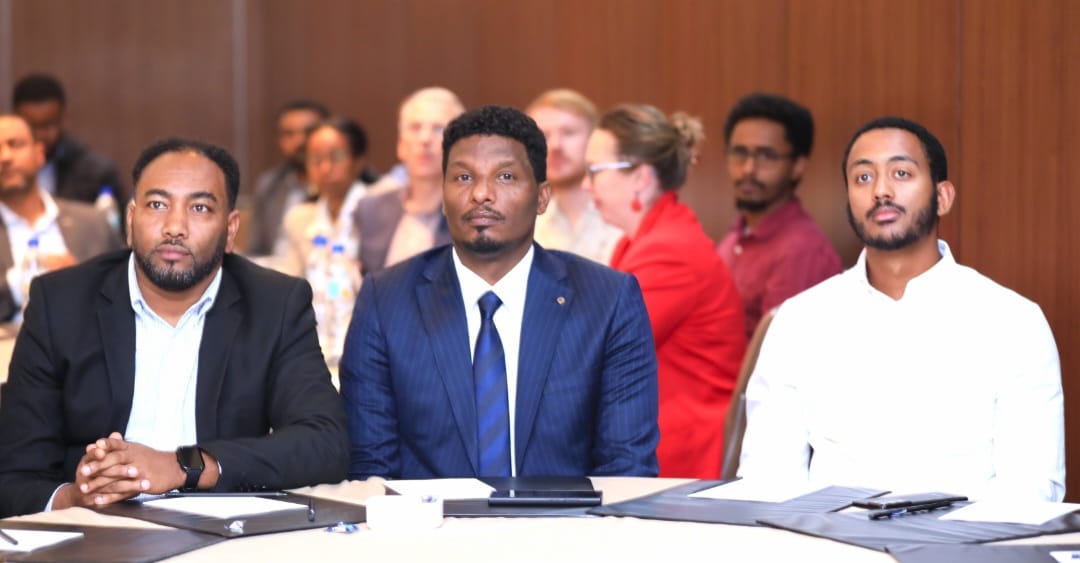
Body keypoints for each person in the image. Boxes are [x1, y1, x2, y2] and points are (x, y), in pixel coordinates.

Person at [0, 137, 348, 518]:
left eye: (200, 208)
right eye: (157, 204)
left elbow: (324, 443)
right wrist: (75, 498)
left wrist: (184, 466)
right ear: (130, 221)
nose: (174, 227)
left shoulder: (274, 304)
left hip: (223, 530)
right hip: (95, 529)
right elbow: (14, 475)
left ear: (231, 230)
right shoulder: (61, 303)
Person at [737, 117, 1064, 501]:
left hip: (966, 537)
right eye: (863, 178)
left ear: (943, 197)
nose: (881, 190)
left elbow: (1031, 489)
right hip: (829, 535)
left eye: (901, 173)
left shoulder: (1013, 322)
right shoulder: (801, 321)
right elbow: (767, 480)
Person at [341, 105, 659, 479]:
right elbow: (371, 468)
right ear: (442, 196)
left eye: (505, 176)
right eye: (463, 177)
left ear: (542, 197)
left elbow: (626, 468)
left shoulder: (607, 301)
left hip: (568, 517)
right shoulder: (386, 301)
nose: (481, 194)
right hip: (428, 517)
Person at [583, 104, 746, 479]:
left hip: (681, 453)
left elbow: (599, 353)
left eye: (594, 171)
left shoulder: (669, 252)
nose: (585, 185)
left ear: (640, 178)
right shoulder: (645, 240)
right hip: (660, 437)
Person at [715, 93, 841, 339]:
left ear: (797, 166)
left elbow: (781, 354)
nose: (748, 169)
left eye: (766, 156)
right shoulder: (735, 237)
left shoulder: (801, 251)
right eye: (739, 153)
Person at [0, 114, 122, 321]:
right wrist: (18, 282)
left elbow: (125, 293)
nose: (5, 157)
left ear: (39, 153)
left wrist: (81, 280)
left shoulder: (93, 223)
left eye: (15, 144)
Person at [353, 87, 463, 275]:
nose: (425, 139)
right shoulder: (370, 210)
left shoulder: (469, 215)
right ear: (401, 145)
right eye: (415, 128)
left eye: (438, 129)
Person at [526, 89, 621, 264]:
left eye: (568, 132)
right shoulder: (527, 225)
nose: (555, 146)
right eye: (544, 136)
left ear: (595, 138)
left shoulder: (623, 214)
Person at [12, 73, 125, 206]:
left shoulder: (95, 171)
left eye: (48, 125)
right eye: (32, 126)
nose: (40, 135)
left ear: (63, 119)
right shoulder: (6, 166)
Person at [280, 116, 369, 276]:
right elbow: (291, 280)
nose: (325, 168)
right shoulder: (299, 218)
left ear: (359, 161)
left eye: (337, 157)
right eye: (316, 159)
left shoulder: (378, 210)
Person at [245, 99, 329, 257]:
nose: (299, 141)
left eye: (309, 132)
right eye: (289, 134)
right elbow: (256, 250)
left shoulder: (346, 185)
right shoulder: (270, 184)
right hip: (273, 269)